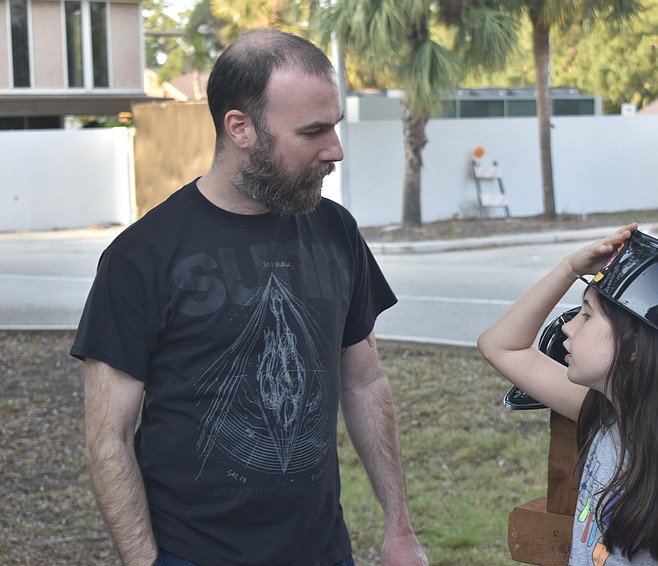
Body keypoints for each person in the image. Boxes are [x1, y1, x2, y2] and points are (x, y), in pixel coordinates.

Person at [71, 30, 427, 566]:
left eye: (334, 125)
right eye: (314, 132)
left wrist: (399, 529)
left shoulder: (334, 230)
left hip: (324, 551)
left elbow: (364, 380)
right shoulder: (140, 256)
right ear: (240, 128)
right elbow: (109, 438)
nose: (335, 150)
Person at [478, 225, 658, 565]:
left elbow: (502, 348)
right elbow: (499, 346)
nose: (568, 326)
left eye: (587, 315)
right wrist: (568, 269)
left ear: (632, 346)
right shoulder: (607, 415)